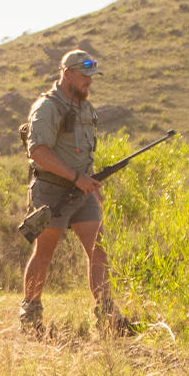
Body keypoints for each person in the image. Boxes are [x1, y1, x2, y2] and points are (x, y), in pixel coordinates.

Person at [20, 48, 130, 333]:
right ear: (67, 73)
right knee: (44, 252)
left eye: (92, 76)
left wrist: (90, 184)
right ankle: (31, 319)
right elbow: (38, 152)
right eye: (84, 76)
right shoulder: (47, 108)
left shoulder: (85, 108)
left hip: (82, 192)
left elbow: (85, 153)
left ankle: (108, 320)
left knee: (99, 250)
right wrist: (75, 177)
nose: (89, 82)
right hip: (51, 191)